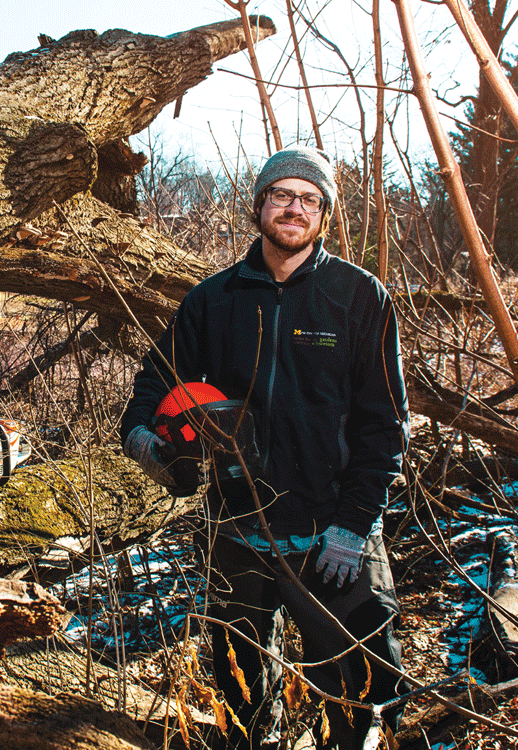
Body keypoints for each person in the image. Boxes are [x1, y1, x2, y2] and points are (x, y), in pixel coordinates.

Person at [120, 146, 409, 749]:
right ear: (259, 207)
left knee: (360, 700)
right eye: (281, 195)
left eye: (308, 199)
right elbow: (154, 382)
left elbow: (384, 425)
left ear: (324, 215)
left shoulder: (359, 297)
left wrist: (354, 525)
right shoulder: (215, 299)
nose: (293, 208)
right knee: (243, 699)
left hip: (332, 536)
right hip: (236, 532)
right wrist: (147, 440)